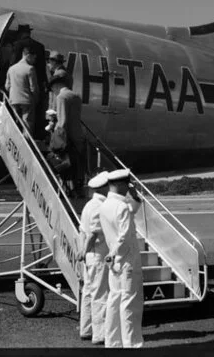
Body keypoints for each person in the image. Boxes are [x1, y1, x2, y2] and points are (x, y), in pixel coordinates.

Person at [99, 169, 144, 349]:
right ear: (118, 184)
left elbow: (129, 212)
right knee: (130, 305)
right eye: (126, 184)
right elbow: (124, 237)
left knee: (114, 301)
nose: (128, 187)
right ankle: (132, 345)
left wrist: (135, 197)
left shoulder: (105, 205)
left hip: (115, 262)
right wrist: (115, 253)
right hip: (126, 261)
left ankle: (113, 342)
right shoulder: (122, 206)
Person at [77, 170, 111, 345]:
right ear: (104, 188)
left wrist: (83, 252)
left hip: (90, 256)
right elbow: (93, 234)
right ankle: (100, 334)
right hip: (97, 254)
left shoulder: (89, 205)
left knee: (89, 293)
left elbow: (83, 231)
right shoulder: (100, 206)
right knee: (100, 294)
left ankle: (86, 329)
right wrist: (86, 250)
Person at [11, 26, 48, 140]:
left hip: (17, 91)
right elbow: (42, 68)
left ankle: (16, 136)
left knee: (16, 117)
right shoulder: (40, 46)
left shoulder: (17, 45)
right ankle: (30, 137)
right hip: (31, 90)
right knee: (30, 119)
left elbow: (12, 63)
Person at [54, 85, 87, 196]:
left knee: (65, 166)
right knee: (78, 166)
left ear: (56, 86)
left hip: (68, 138)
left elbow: (62, 121)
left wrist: (56, 135)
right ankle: (79, 191)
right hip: (78, 135)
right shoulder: (76, 96)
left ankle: (67, 192)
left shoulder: (61, 97)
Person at [5, 42, 39, 133]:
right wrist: (36, 99)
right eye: (33, 57)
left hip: (13, 100)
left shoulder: (11, 69)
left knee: (16, 123)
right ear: (28, 55)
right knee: (27, 124)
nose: (34, 59)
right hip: (27, 101)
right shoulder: (30, 69)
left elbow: (7, 86)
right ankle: (26, 143)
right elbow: (33, 88)